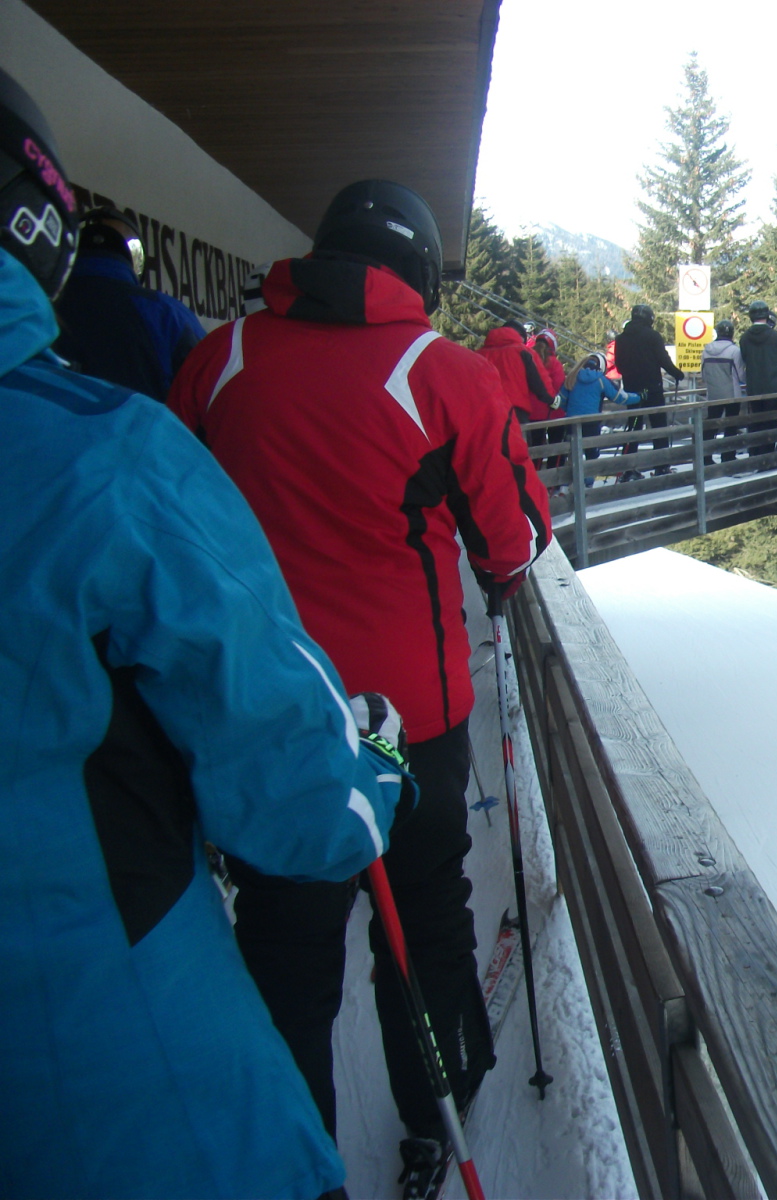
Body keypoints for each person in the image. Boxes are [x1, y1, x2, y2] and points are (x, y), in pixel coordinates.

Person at [0, 69, 410, 1200]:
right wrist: (374, 759)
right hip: (119, 1100)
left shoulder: (216, 368)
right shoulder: (101, 453)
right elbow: (301, 806)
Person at [168, 179, 552, 1168]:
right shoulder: (444, 374)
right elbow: (512, 544)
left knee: (286, 945)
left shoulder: (223, 360)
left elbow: (174, 523)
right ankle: (440, 1116)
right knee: (422, 917)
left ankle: (297, 1164)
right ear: (416, 272)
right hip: (406, 719)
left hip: (271, 718)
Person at [52, 205, 205, 400]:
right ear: (133, 256)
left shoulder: (37, 306)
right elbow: (209, 395)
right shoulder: (166, 314)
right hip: (150, 429)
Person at [613, 302, 685, 476]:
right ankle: (661, 466)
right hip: (653, 388)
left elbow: (619, 364)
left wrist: (630, 377)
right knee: (659, 427)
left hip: (632, 391)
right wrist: (677, 374)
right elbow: (663, 359)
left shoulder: (621, 339)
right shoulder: (652, 336)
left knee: (633, 427)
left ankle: (628, 469)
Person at [477, 319, 559, 459]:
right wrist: (551, 399)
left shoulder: (479, 354)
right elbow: (539, 381)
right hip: (516, 412)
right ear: (521, 336)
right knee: (521, 455)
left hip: (487, 413)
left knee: (493, 456)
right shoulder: (523, 352)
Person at [738, 300, 777, 459]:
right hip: (775, 386)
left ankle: (755, 455)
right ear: (767, 315)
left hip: (754, 387)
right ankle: (769, 457)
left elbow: (744, 359)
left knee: (756, 422)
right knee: (773, 423)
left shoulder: (744, 338)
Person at [564, 350, 638, 464]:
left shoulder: (572, 376)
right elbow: (620, 397)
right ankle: (588, 480)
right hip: (591, 423)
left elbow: (561, 400)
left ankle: (573, 480)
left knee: (573, 454)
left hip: (571, 422)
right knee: (592, 455)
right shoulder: (600, 380)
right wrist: (640, 397)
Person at [701, 318, 745, 464]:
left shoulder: (706, 350)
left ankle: (706, 457)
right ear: (732, 334)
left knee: (711, 426)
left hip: (713, 394)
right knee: (730, 425)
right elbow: (741, 375)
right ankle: (728, 455)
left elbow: (703, 374)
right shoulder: (734, 351)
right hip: (731, 393)